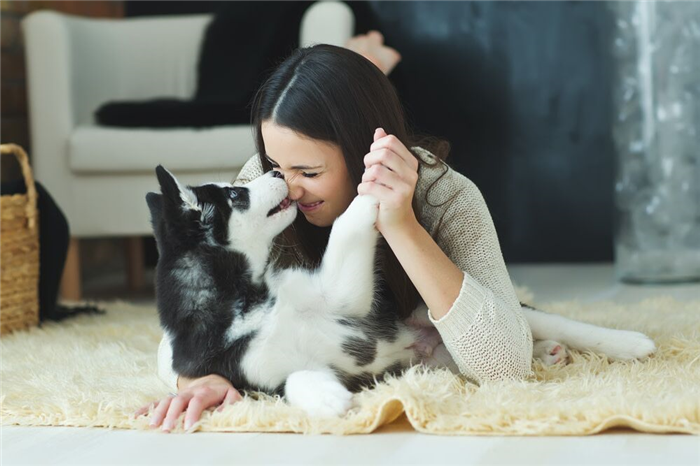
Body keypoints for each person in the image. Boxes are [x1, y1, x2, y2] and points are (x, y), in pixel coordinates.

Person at [138, 31, 533, 432]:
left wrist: (399, 223)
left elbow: (506, 365)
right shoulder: (265, 186)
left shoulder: (445, 196)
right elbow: (187, 326)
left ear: (363, 152)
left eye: (309, 172)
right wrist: (200, 377)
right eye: (275, 163)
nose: (287, 188)